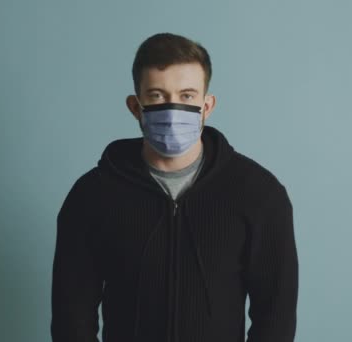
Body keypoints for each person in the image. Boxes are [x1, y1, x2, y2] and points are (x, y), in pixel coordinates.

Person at [50, 32, 299, 342]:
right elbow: (71, 314)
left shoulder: (259, 194)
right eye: (156, 95)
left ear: (207, 105)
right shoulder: (92, 196)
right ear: (135, 106)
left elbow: (275, 315)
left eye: (187, 96)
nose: (172, 111)